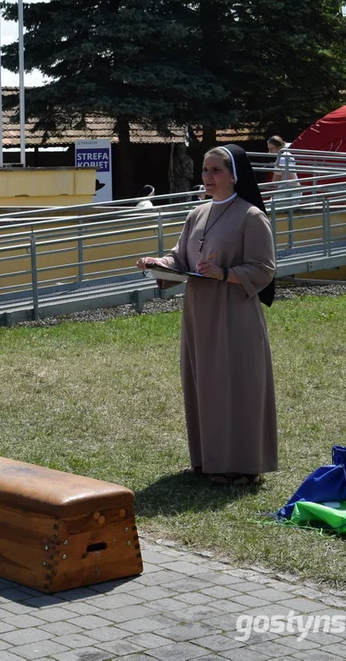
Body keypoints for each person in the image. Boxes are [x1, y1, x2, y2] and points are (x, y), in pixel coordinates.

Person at [137, 144, 277, 485]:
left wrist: (225, 273)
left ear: (234, 176)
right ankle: (208, 460)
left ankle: (243, 465)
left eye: (216, 170)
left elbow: (264, 269)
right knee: (203, 385)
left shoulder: (251, 216)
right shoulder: (196, 214)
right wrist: (160, 263)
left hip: (234, 314)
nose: (208, 177)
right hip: (199, 313)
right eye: (205, 170)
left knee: (235, 385)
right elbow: (178, 257)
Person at [267, 136, 301, 203]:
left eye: (271, 149)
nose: (269, 151)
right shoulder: (288, 154)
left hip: (285, 190)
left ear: (279, 147)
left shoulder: (281, 159)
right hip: (295, 190)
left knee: (270, 208)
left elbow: (275, 182)